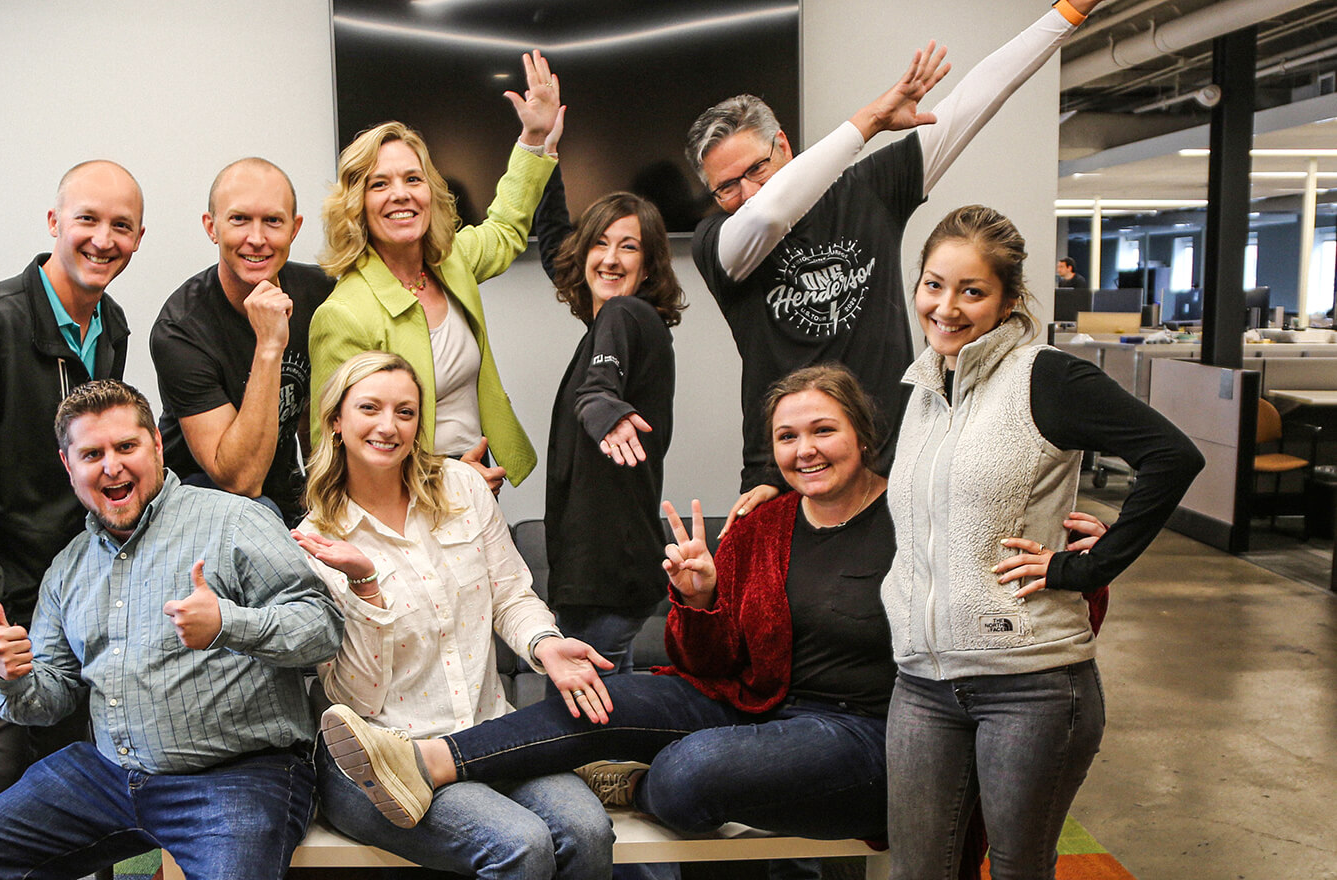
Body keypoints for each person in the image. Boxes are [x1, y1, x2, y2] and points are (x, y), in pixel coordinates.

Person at [313, 361, 1111, 865]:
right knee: (598, 692)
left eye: (822, 431)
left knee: (688, 776)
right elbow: (709, 662)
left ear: (864, 435)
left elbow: (1022, 608)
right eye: (787, 436)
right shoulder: (764, 523)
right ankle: (431, 764)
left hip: (868, 728)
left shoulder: (922, 513)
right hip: (752, 703)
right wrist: (696, 600)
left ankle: (628, 774)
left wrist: (1080, 565)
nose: (805, 451)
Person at [684, 0, 1105, 526]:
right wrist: (868, 121)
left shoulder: (869, 190)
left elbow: (977, 97)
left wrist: (1067, 14)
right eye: (726, 187)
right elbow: (768, 217)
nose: (746, 193)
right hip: (786, 471)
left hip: (894, 461)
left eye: (757, 168)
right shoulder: (718, 242)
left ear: (784, 146)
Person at [881, 205, 1203, 880]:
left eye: (972, 291)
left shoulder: (1045, 377)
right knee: (918, 872)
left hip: (1028, 684)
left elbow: (1172, 457)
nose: (947, 307)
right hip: (921, 682)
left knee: (1020, 870)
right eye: (934, 285)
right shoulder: (921, 389)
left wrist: (1087, 566)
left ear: (1007, 298)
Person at [0, 379, 345, 879]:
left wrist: (229, 624)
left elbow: (322, 624)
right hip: (111, 776)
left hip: (238, 777)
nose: (111, 466)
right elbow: (49, 699)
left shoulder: (233, 521)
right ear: (68, 466)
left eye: (126, 446)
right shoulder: (67, 569)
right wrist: (13, 676)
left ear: (157, 447)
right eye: (92, 453)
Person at [293, 351, 615, 880]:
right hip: (384, 761)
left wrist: (544, 644)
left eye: (405, 411)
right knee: (523, 845)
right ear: (335, 423)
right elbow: (357, 698)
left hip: (488, 735)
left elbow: (511, 595)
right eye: (369, 408)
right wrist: (364, 584)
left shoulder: (462, 489)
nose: (388, 426)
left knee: (587, 831)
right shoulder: (318, 542)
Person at [0, 159, 145, 818]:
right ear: (54, 224)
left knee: (64, 791)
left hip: (62, 608)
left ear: (138, 238)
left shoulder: (113, 328)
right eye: (89, 220)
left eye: (122, 226)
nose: (104, 239)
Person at [309, 50, 565, 493]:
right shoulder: (343, 314)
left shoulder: (452, 261)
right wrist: (453, 482)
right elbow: (338, 453)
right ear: (356, 205)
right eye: (379, 184)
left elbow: (505, 227)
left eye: (413, 179)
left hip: (478, 478)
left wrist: (532, 138)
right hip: (407, 498)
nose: (401, 195)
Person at [531, 174, 686, 674]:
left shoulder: (624, 313)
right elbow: (559, 245)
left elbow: (599, 383)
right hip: (610, 572)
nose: (611, 258)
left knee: (588, 729)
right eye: (599, 244)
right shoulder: (621, 323)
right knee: (611, 721)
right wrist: (546, 158)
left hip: (604, 573)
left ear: (648, 266)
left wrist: (601, 405)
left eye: (628, 247)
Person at [151, 157, 334, 524]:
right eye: (239, 219)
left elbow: (317, 416)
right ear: (212, 226)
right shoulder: (181, 329)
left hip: (282, 487)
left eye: (273, 221)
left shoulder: (320, 293)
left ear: (294, 229)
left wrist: (326, 498)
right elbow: (240, 480)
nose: (257, 238)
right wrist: (268, 345)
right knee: (258, 511)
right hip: (197, 496)